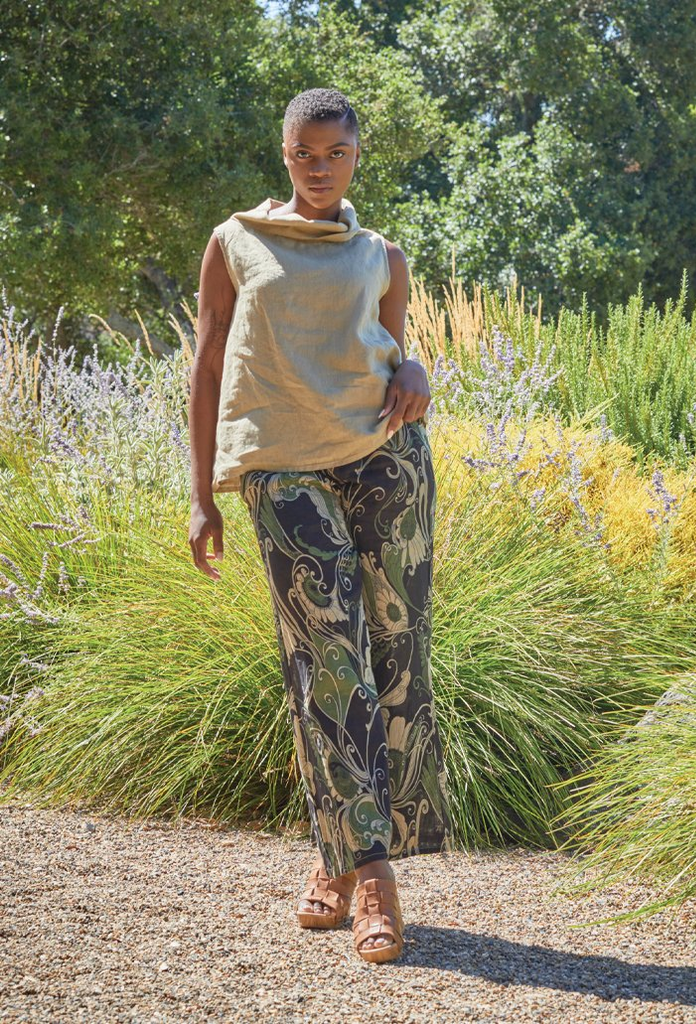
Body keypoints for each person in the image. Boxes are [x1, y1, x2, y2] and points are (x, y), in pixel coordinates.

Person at [188, 87, 453, 964]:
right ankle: (374, 878)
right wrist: (202, 491)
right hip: (282, 467)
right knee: (328, 662)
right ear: (284, 152)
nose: (318, 168)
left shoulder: (382, 255)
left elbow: (390, 352)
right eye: (304, 153)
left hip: (385, 459)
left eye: (335, 153)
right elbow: (209, 359)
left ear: (355, 157)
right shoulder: (235, 242)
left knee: (396, 651)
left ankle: (334, 858)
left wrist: (416, 368)